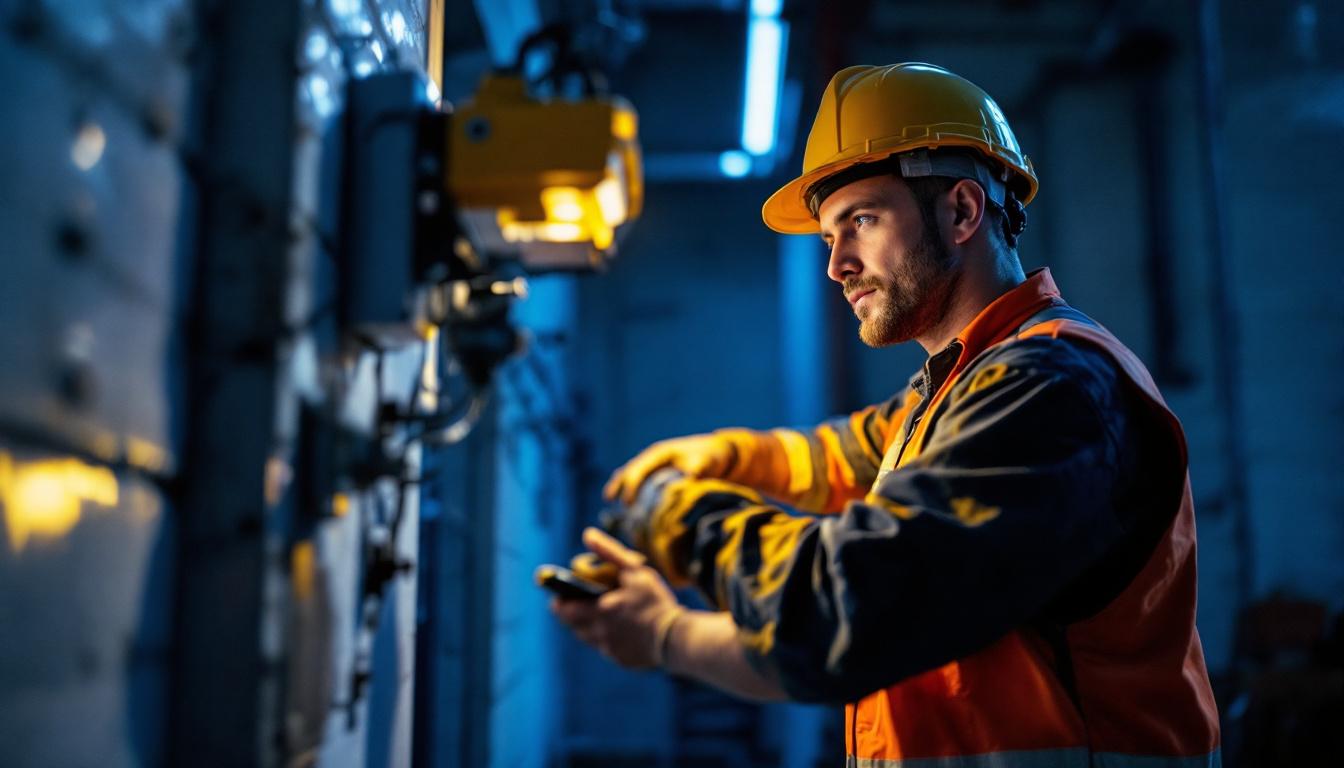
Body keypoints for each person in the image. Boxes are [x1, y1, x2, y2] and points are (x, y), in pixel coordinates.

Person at [551, 62, 1221, 766]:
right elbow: (840, 457)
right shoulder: (957, 389)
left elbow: (845, 608)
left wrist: (684, 520)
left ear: (962, 212)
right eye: (828, 238)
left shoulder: (1052, 389)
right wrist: (719, 458)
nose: (836, 263)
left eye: (861, 221)